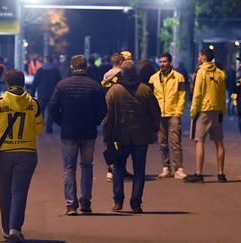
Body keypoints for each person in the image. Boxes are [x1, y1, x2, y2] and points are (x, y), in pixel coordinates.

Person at [0, 69, 43, 241]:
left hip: (3, 154)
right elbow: (39, 128)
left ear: (7, 83)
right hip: (27, 153)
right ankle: (15, 230)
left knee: (5, 191)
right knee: (20, 191)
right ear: (23, 82)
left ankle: (5, 229)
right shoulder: (34, 103)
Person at [48, 55, 107, 215]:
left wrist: (62, 122)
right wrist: (94, 121)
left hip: (69, 132)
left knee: (69, 169)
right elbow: (103, 109)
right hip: (88, 132)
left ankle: (71, 204)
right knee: (87, 166)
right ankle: (85, 202)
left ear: (72, 67)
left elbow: (52, 107)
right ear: (86, 67)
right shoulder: (95, 86)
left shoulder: (62, 85)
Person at [103, 60, 160, 213]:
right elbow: (155, 112)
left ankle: (118, 201)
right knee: (139, 170)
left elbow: (107, 117)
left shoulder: (114, 91)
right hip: (141, 136)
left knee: (118, 168)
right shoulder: (145, 90)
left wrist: (107, 137)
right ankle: (136, 203)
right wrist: (154, 130)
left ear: (122, 73)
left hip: (119, 137)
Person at [185, 48, 227, 183]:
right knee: (219, 142)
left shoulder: (201, 72)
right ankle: (221, 173)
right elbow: (222, 94)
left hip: (204, 110)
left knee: (199, 141)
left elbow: (197, 94)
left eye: (199, 56)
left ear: (203, 57)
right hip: (217, 110)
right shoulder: (220, 73)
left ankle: (199, 173)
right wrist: (222, 111)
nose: (198, 58)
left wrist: (193, 111)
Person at [148, 53, 187, 179]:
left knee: (176, 143)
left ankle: (179, 169)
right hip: (160, 115)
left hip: (173, 113)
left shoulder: (179, 77)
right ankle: (166, 168)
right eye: (161, 62)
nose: (162, 64)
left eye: (165, 61)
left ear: (170, 62)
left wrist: (178, 112)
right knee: (162, 143)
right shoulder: (153, 78)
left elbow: (182, 96)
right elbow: (151, 97)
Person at [100, 53, 134, 182]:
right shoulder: (122, 76)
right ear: (121, 62)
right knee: (122, 142)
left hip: (107, 112)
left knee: (109, 142)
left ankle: (110, 170)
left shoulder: (106, 76)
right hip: (120, 113)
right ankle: (119, 170)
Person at [30, 55, 61, 133]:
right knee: (50, 112)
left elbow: (35, 83)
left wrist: (32, 94)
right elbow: (59, 83)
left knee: (40, 111)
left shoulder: (40, 70)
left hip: (42, 94)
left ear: (45, 60)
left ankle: (39, 127)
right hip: (52, 94)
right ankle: (49, 128)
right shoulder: (56, 70)